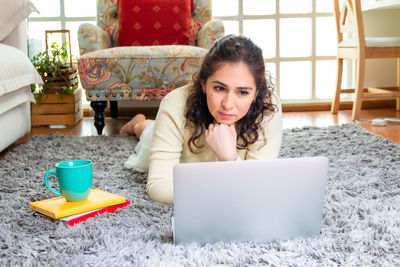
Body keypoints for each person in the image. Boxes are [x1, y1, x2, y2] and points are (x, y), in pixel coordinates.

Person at [120, 34, 283, 205]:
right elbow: (158, 187)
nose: (227, 105)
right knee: (149, 136)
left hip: (198, 180)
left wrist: (229, 159)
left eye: (242, 92)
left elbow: (258, 186)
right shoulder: (175, 103)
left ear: (256, 93)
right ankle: (138, 124)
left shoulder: (268, 107)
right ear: (204, 84)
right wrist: (222, 192)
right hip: (181, 152)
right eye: (219, 88)